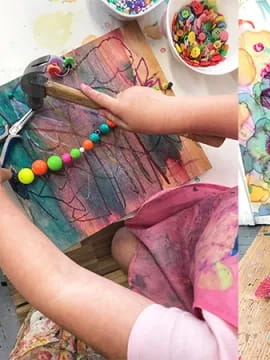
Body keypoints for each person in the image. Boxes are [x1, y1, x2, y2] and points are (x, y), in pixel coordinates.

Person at [2, 86, 238, 360]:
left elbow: (62, 286)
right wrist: (176, 113)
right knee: (125, 244)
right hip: (202, 232)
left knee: (127, 248)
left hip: (198, 292)